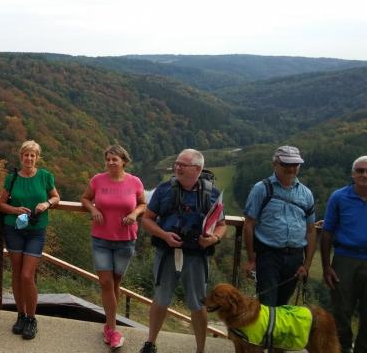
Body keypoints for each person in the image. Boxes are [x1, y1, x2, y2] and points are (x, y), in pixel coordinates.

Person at [138, 149, 226, 353]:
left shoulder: (212, 193)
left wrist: (213, 239)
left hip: (196, 255)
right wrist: (164, 235)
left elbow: (221, 225)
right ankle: (150, 343)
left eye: (182, 165)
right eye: (176, 163)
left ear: (197, 169)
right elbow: (147, 219)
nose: (176, 167)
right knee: (161, 299)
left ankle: (200, 349)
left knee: (198, 303)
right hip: (167, 253)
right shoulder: (164, 189)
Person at [81, 144, 146, 349]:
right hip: (100, 239)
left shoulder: (134, 182)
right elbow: (84, 198)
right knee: (106, 283)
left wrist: (134, 214)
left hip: (126, 240)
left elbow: (143, 204)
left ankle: (108, 325)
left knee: (115, 283)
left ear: (123, 162)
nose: (110, 162)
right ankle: (113, 329)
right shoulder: (97, 180)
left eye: (114, 159)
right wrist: (92, 209)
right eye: (108, 159)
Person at [0, 140, 59, 340]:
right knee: (16, 273)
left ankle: (32, 318)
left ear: (37, 157)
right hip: (14, 229)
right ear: (21, 156)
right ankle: (21, 315)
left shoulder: (45, 176)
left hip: (36, 230)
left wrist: (46, 203)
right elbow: (1, 204)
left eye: (33, 155)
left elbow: (56, 197)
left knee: (27, 275)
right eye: (26, 154)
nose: (29, 158)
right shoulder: (12, 178)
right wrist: (15, 210)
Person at [242, 145, 316, 307]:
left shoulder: (306, 193)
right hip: (268, 256)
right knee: (267, 304)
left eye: (295, 165)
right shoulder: (261, 189)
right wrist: (251, 259)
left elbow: (311, 230)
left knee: (283, 305)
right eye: (286, 164)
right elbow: (249, 224)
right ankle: (267, 333)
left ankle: (275, 333)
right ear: (274, 164)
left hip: (295, 258)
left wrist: (306, 265)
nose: (291, 169)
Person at [321, 155, 367, 353]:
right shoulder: (339, 197)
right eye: (360, 170)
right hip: (344, 260)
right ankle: (342, 349)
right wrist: (326, 267)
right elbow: (328, 231)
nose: (365, 174)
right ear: (352, 174)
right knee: (341, 312)